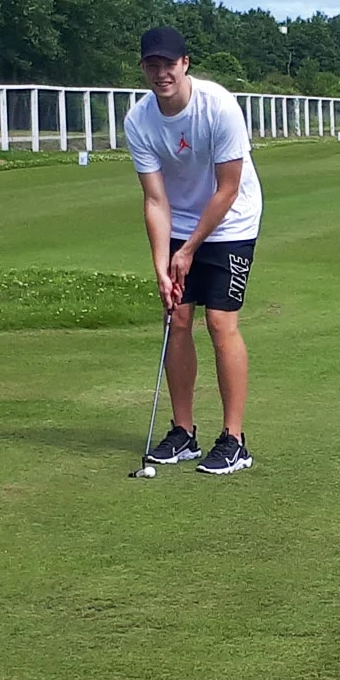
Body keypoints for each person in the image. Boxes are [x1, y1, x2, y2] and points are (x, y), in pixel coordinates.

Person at [126, 27, 262, 475]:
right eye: (152, 65)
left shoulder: (218, 106)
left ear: (185, 64)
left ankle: (235, 439)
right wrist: (163, 266)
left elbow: (228, 188)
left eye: (169, 64)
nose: (161, 73)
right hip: (180, 221)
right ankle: (183, 433)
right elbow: (155, 200)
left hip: (233, 219)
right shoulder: (139, 120)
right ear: (144, 67)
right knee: (177, 317)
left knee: (220, 322)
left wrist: (189, 250)